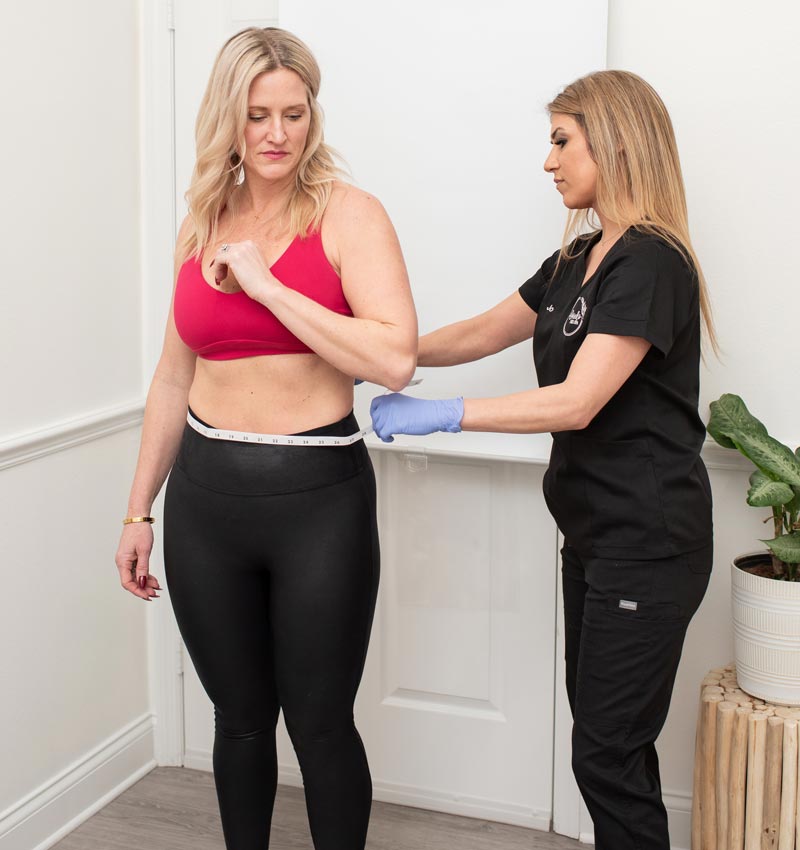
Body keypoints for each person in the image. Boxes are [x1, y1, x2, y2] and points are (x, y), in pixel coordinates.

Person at [370, 70, 714, 850]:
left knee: (603, 753)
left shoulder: (652, 261)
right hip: (594, 541)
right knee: (609, 744)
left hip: (649, 544)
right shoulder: (581, 256)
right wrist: (379, 352)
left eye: (562, 140)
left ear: (617, 142)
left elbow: (576, 402)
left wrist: (444, 414)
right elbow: (487, 329)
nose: (549, 162)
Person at [114, 27, 417, 850]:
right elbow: (173, 380)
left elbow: (394, 358)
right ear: (229, 120)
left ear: (314, 114)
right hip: (207, 503)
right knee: (239, 720)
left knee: (319, 726)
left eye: (294, 112)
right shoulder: (200, 222)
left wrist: (268, 285)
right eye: (257, 115)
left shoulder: (351, 216)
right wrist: (139, 511)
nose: (278, 133)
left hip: (318, 503)